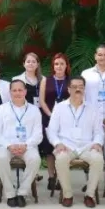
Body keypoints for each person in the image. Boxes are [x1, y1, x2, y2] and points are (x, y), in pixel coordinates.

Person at [47, 76, 105, 208]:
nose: (77, 89)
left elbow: (99, 131)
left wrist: (97, 143)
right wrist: (57, 143)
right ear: (68, 89)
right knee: (61, 159)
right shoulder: (60, 107)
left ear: (84, 89)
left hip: (87, 146)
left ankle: (89, 195)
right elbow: (52, 130)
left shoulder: (93, 108)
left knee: (98, 159)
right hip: (66, 146)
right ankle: (67, 195)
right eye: (74, 87)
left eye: (81, 87)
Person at [0, 80, 43, 208]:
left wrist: (26, 145)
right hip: (5, 145)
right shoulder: (1, 109)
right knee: (1, 157)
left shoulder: (34, 110)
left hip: (27, 146)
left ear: (25, 91)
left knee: (35, 159)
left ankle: (22, 192)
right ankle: (10, 194)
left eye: (20, 90)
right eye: (14, 90)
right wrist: (9, 145)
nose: (17, 93)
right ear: (10, 92)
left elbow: (38, 134)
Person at [38, 53, 71, 190]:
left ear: (66, 66)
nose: (59, 66)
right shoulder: (46, 80)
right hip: (49, 118)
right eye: (56, 64)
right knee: (49, 149)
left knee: (62, 148)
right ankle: (51, 177)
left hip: (67, 120)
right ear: (53, 66)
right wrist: (51, 115)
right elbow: (41, 101)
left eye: (62, 64)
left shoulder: (71, 81)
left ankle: (61, 178)